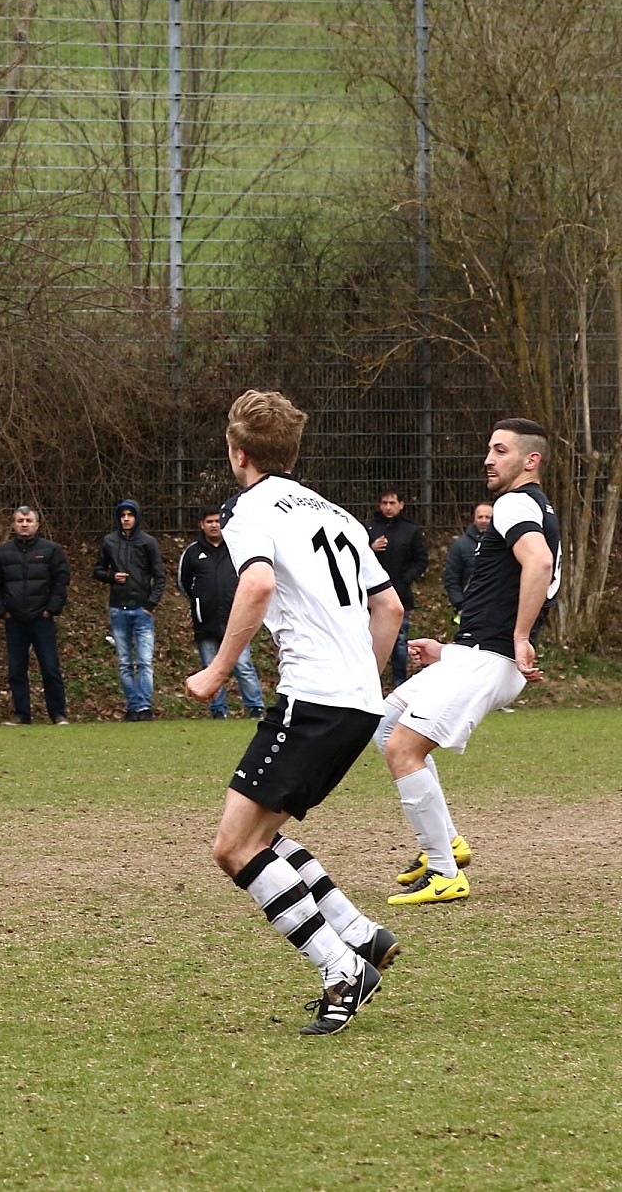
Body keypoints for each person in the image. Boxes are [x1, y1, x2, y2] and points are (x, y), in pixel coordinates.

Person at [184, 390, 403, 1036]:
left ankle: (342, 968)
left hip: (315, 700)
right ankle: (361, 933)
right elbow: (387, 607)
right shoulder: (335, 512)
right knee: (263, 832)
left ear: (238, 452)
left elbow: (256, 584)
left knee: (234, 846)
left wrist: (218, 670)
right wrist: (363, 678)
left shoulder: (249, 509)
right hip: (358, 701)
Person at [375, 420, 561, 906]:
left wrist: (519, 637)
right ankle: (448, 844)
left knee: (402, 750)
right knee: (385, 725)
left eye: (500, 450)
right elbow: (523, 576)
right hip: (476, 655)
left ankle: (443, 872)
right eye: (488, 449)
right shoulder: (538, 509)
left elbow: (538, 564)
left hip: (490, 659)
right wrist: (451, 651)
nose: (488, 458)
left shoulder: (515, 502)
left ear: (530, 461)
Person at [0, 506, 70, 725]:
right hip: (14, 620)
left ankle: (58, 713)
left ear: (37, 524)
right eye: (20, 520)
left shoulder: (51, 550)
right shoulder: (3, 553)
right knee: (16, 670)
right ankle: (22, 714)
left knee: (50, 667)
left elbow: (61, 583)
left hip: (42, 619)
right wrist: (2, 611)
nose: (24, 524)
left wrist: (50, 609)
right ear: (13, 524)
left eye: (28, 520)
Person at [179, 508, 265, 720]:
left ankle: (255, 707)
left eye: (217, 521)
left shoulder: (237, 548)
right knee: (210, 667)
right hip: (206, 621)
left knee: (243, 666)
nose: (214, 525)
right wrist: (200, 601)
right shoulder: (192, 552)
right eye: (209, 521)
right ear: (202, 524)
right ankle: (218, 710)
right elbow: (184, 583)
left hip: (236, 620)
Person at [94, 499, 164, 721]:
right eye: (122, 515)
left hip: (141, 609)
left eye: (130, 515)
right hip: (118, 609)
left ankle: (144, 706)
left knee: (144, 661)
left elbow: (160, 576)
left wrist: (150, 605)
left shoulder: (147, 542)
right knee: (125, 662)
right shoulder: (109, 542)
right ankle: (132, 706)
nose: (126, 519)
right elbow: (97, 570)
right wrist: (111, 577)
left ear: (136, 517)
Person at [367, 489, 429, 685]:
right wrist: (371, 548)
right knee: (367, 638)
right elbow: (355, 557)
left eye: (392, 503)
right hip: (370, 596)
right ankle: (369, 680)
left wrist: (405, 579)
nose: (388, 507)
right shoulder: (368, 528)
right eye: (384, 503)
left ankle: (399, 682)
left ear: (401, 505)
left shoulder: (411, 530)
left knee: (399, 641)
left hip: (399, 593)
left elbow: (421, 560)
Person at [442, 501, 492, 622]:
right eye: (480, 517)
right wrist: (459, 605)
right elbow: (451, 578)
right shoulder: (460, 545)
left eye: (488, 517)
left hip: (497, 607)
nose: (484, 520)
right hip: (470, 608)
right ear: (474, 519)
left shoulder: (505, 544)